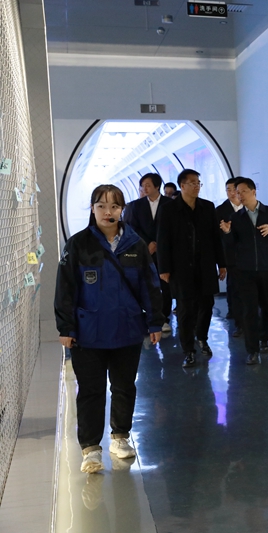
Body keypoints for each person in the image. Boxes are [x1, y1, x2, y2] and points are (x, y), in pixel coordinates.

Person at [55, 184, 163, 474]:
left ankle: (120, 437)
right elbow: (65, 288)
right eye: (101, 205)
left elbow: (150, 286)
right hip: (88, 332)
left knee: (124, 386)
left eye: (114, 206)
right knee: (90, 391)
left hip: (127, 329)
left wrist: (155, 321)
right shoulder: (78, 244)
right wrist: (66, 326)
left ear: (122, 210)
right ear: (92, 209)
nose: (107, 211)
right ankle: (90, 449)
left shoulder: (135, 244)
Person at [158, 169, 227, 368]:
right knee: (185, 309)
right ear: (182, 186)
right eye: (192, 183)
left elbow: (216, 238)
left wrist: (222, 263)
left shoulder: (207, 207)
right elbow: (163, 240)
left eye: (198, 183)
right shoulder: (169, 209)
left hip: (205, 265)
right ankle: (188, 350)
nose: (196, 186)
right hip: (181, 268)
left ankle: (202, 338)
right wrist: (164, 268)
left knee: (206, 305)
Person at [220, 177, 268, 364]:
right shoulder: (236, 218)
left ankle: (264, 340)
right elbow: (231, 245)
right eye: (237, 193)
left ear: (253, 191)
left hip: (267, 268)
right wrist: (227, 232)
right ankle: (252, 349)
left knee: (267, 307)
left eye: (243, 191)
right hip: (245, 271)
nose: (239, 196)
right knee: (249, 310)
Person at [123, 172, 173, 333]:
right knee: (145, 285)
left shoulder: (169, 204)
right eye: (142, 185)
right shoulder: (135, 205)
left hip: (165, 252)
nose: (144, 188)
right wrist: (147, 243)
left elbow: (173, 228)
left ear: (157, 186)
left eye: (148, 185)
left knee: (165, 286)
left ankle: (163, 318)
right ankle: (145, 318)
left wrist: (158, 243)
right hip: (144, 252)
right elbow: (131, 227)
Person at [216, 177, 245, 336]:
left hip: (250, 256)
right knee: (235, 288)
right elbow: (217, 237)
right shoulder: (220, 210)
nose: (231, 193)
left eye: (234, 189)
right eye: (228, 189)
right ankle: (238, 320)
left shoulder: (249, 206)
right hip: (231, 256)